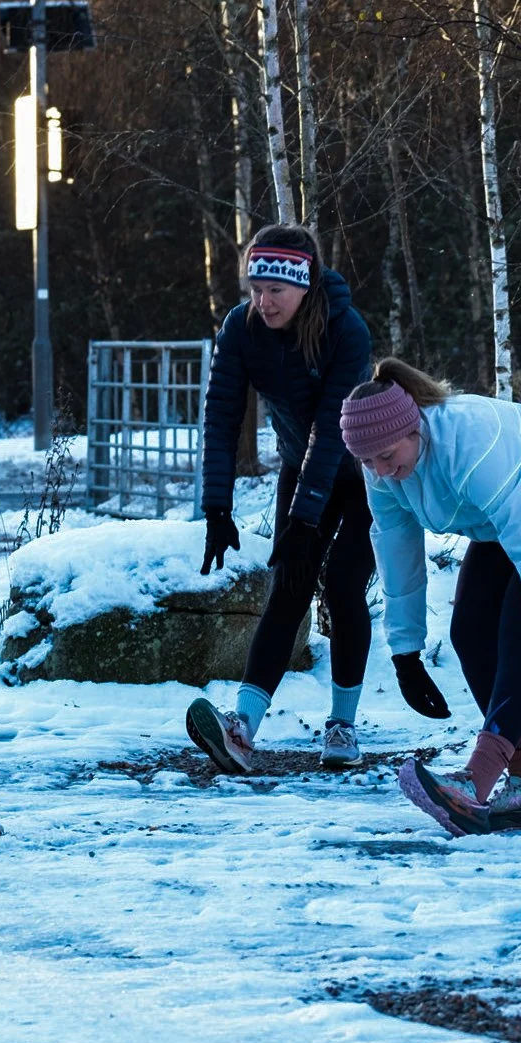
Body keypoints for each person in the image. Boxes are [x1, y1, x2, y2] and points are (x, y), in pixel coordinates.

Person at [338, 359, 521, 836]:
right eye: (367, 463)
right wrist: (405, 653)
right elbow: (397, 554)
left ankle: (477, 780)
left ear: (412, 429)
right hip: (500, 522)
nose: (382, 473)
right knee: (468, 632)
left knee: (517, 629)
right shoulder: (383, 470)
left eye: (386, 457)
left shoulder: (471, 442)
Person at [186, 223, 384, 772]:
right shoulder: (241, 328)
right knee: (289, 586)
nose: (263, 301)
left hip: (370, 471)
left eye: (276, 290)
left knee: (343, 586)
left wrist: (303, 521)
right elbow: (221, 416)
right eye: (255, 288)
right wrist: (217, 508)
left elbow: (331, 426)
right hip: (304, 467)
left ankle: (342, 727)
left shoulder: (346, 330)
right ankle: (243, 728)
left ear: (304, 286)